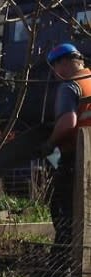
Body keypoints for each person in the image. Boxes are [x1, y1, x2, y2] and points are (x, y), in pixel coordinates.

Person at [40, 43, 91, 263]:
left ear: (62, 62)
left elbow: (67, 122)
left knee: (63, 207)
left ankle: (62, 261)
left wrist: (49, 144)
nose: (55, 73)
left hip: (75, 158)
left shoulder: (70, 86)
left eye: (55, 67)